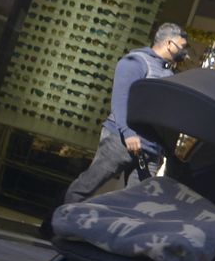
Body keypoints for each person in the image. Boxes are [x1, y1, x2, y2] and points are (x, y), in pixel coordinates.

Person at [64, 23, 188, 203]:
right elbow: (120, 99)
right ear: (169, 43)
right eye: (182, 47)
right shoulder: (136, 62)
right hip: (121, 141)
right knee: (87, 185)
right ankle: (59, 217)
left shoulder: (169, 72)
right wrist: (128, 133)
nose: (184, 53)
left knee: (139, 201)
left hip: (150, 149)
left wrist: (166, 151)